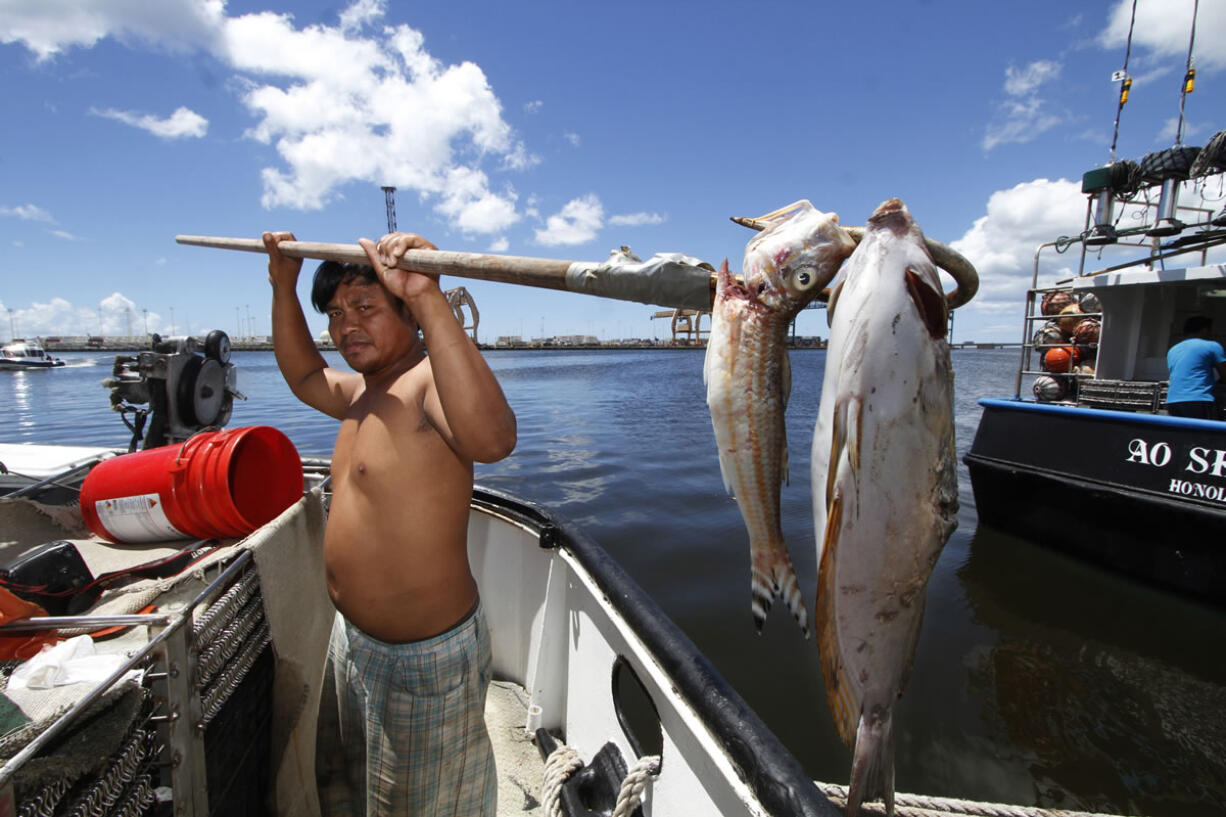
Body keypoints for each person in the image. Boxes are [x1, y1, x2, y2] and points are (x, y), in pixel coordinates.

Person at [264, 229, 517, 817]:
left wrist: (431, 297)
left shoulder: (426, 383)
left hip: (422, 661)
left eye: (365, 306)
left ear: (409, 311)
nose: (345, 324)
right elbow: (303, 377)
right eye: (334, 312)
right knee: (354, 790)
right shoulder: (360, 392)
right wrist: (282, 285)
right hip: (352, 643)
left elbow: (494, 439)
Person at [1166, 315, 1226, 420]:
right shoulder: (1212, 346)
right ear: (1204, 330)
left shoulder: (1173, 349)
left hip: (1173, 401)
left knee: (1181, 434)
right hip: (1198, 399)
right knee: (1203, 435)